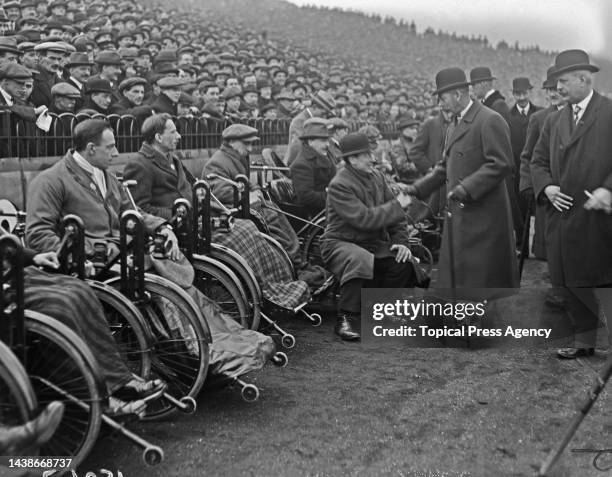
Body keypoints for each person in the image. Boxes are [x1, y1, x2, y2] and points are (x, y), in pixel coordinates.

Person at [25, 118, 276, 379]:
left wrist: (162, 227)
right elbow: (37, 234)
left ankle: (218, 342)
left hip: (124, 254)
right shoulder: (51, 181)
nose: (116, 153)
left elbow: (132, 212)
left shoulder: (106, 175)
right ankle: (195, 354)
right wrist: (79, 253)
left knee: (181, 282)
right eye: (110, 148)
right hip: (97, 262)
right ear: (90, 148)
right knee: (163, 292)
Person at [124, 114, 311, 310]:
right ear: (158, 137)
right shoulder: (139, 164)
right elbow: (139, 208)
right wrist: (179, 213)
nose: (179, 135)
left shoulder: (173, 158)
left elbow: (194, 188)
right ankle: (264, 289)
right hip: (177, 228)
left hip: (196, 219)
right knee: (239, 237)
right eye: (173, 132)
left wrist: (213, 210)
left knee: (247, 226)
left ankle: (277, 284)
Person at [407, 67, 518, 296]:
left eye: (443, 98)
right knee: (460, 278)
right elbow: (444, 168)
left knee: (482, 278)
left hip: (483, 217)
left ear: (458, 94)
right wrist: (416, 189)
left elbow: (501, 163)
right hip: (460, 215)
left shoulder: (489, 120)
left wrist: (466, 187)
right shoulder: (453, 126)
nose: (440, 105)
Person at [531, 49, 612, 359]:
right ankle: (583, 339)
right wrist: (548, 187)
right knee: (570, 280)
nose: (558, 88)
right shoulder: (553, 121)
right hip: (563, 216)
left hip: (600, 217)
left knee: (605, 278)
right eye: (556, 83)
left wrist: (608, 190)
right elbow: (537, 162)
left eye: (563, 81)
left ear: (584, 78)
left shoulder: (608, 112)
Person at [321, 133, 416, 341]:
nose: (372, 158)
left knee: (403, 261)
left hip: (370, 243)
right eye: (366, 155)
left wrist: (401, 243)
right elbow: (364, 219)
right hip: (339, 243)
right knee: (359, 259)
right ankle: (345, 318)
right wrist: (397, 205)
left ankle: (380, 310)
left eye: (370, 153)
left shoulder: (377, 176)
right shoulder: (340, 184)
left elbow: (397, 219)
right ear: (352, 159)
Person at [203, 124, 303, 267]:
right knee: (270, 217)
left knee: (273, 209)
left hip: (244, 206)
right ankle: (290, 260)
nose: (250, 148)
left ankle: (293, 257)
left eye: (251, 143)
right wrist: (249, 195)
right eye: (246, 144)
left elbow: (248, 183)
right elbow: (220, 193)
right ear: (231, 142)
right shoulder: (216, 163)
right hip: (228, 212)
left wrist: (256, 190)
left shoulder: (237, 156)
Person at [518, 67, 566, 261]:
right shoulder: (539, 118)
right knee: (547, 250)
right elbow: (527, 156)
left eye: (555, 88)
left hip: (570, 192)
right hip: (546, 194)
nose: (552, 93)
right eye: (548, 89)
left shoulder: (579, 117)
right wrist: (530, 186)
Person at [508, 77, 541, 254]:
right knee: (519, 210)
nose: (521, 97)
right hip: (517, 172)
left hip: (535, 168)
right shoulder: (506, 116)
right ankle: (522, 247)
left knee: (540, 209)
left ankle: (540, 247)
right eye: (518, 93)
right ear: (513, 94)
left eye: (524, 93)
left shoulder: (540, 113)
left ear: (530, 92)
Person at [289, 118, 336, 217]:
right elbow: (307, 197)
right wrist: (335, 197)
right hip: (314, 214)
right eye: (323, 140)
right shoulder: (302, 164)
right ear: (310, 141)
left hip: (328, 208)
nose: (327, 144)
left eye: (328, 140)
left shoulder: (324, 155)